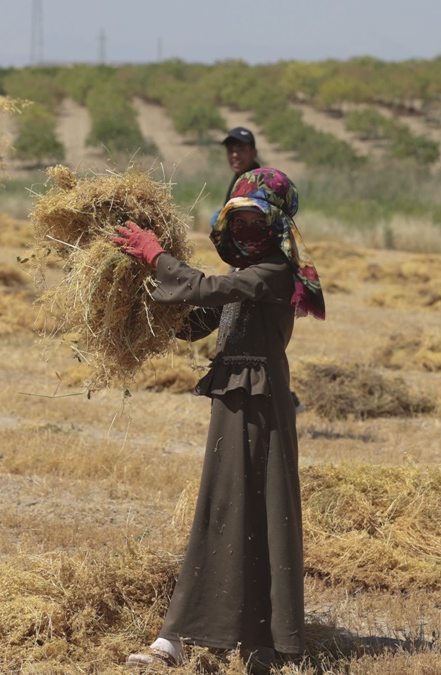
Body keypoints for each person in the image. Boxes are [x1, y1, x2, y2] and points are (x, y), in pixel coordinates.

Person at [112, 168, 325, 671]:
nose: (246, 230)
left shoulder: (273, 273)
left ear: (275, 226)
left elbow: (205, 289)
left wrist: (157, 256)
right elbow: (197, 316)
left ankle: (245, 641)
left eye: (256, 220)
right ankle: (207, 637)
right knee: (228, 508)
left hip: (260, 406)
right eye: (240, 220)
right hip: (233, 401)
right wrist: (136, 301)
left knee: (250, 510)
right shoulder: (243, 278)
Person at [218, 126, 308, 414]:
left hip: (259, 267)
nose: (235, 154)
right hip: (247, 263)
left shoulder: (259, 182)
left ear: (253, 152)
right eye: (231, 150)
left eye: (241, 149)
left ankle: (279, 397)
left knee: (259, 336)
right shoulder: (239, 180)